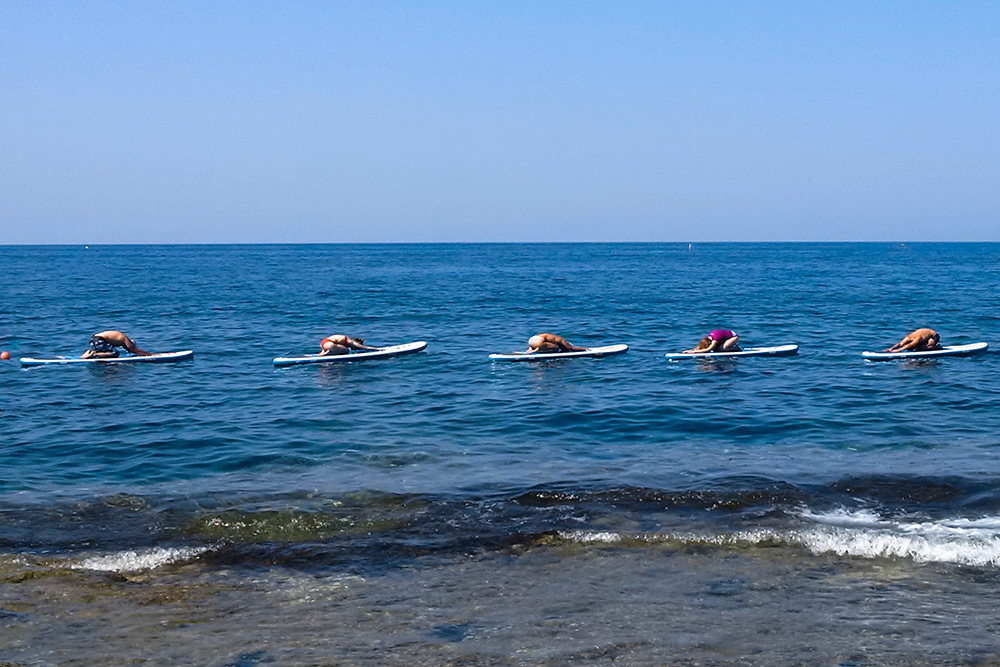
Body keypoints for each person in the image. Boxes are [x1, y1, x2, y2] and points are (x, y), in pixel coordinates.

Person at [81, 330, 151, 359]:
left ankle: (89, 352)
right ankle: (94, 354)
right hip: (99, 340)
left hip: (94, 340)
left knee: (108, 352)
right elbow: (135, 350)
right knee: (116, 353)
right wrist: (150, 354)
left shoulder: (119, 339)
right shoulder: (125, 339)